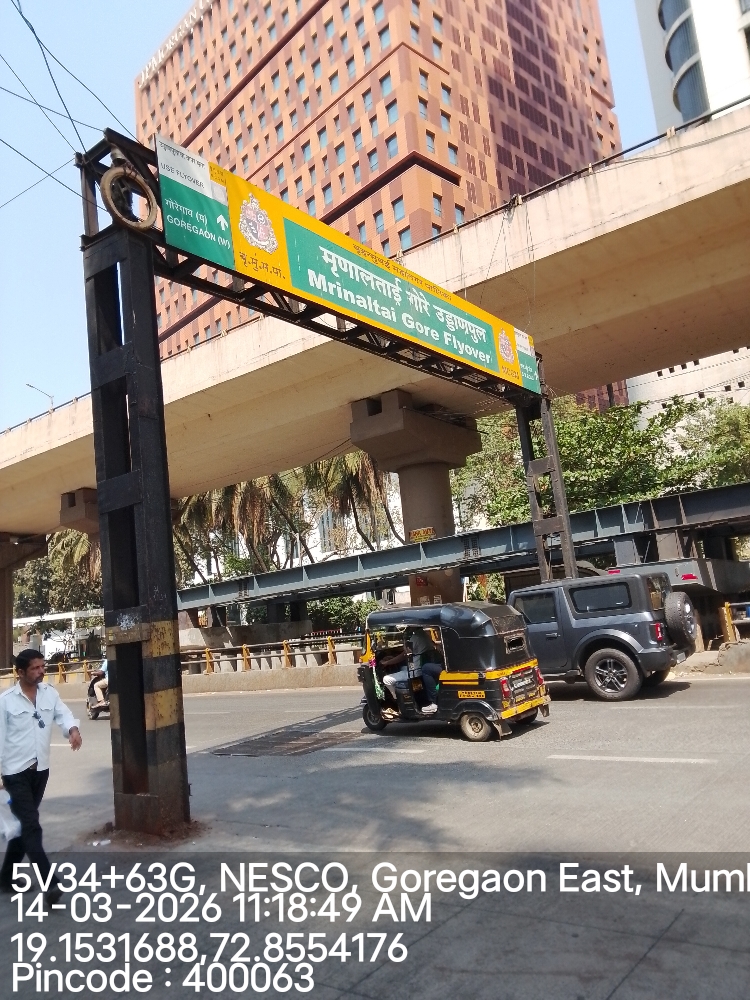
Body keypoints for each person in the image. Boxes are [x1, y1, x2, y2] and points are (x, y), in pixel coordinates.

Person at [0, 649, 82, 904]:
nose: (41, 672)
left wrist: (73, 729)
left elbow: (63, 713)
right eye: (35, 668)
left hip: (40, 771)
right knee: (31, 825)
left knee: (25, 826)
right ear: (20, 672)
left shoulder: (49, 693)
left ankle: (6, 878)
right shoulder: (6, 701)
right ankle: (50, 882)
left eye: (42, 667)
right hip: (15, 773)